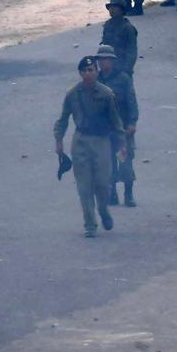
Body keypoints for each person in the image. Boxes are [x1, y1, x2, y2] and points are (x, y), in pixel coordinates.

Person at [54, 56, 126, 238]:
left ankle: (102, 209)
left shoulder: (106, 94)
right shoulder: (72, 94)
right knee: (84, 186)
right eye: (84, 71)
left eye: (91, 70)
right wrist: (59, 141)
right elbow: (63, 119)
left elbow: (116, 121)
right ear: (80, 73)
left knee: (102, 183)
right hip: (81, 142)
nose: (88, 74)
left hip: (101, 142)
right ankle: (90, 224)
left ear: (96, 72)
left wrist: (121, 144)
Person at [96, 45, 138, 208]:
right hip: (104, 129)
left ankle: (128, 194)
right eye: (100, 60)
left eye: (106, 59)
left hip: (122, 128)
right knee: (108, 163)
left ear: (112, 61)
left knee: (125, 161)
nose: (103, 63)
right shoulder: (96, 79)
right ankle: (112, 194)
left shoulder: (123, 79)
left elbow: (131, 101)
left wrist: (132, 122)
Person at [101, 0, 138, 77]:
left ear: (121, 11)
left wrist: (127, 69)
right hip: (107, 67)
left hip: (122, 67)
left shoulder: (128, 28)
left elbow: (132, 51)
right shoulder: (107, 25)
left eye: (115, 7)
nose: (112, 10)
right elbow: (103, 46)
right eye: (110, 7)